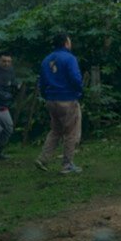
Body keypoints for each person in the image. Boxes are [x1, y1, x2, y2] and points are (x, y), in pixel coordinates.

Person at [35, 33, 84, 174]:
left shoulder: (46, 60)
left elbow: (42, 82)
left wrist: (46, 96)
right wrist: (79, 91)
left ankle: (43, 158)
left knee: (55, 131)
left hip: (51, 100)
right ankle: (67, 165)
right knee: (71, 133)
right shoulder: (69, 58)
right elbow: (75, 78)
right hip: (67, 99)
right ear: (66, 43)